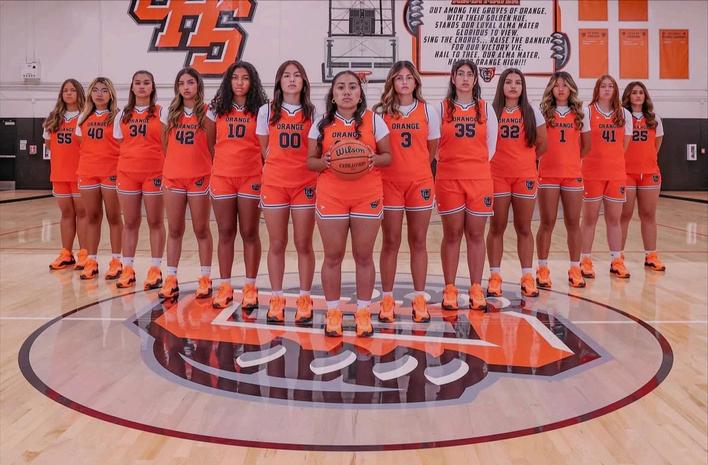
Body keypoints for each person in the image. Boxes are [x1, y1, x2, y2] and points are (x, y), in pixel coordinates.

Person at [307, 70, 391, 337]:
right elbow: (310, 161)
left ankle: (363, 312)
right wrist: (324, 162)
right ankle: (333, 312)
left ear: (360, 93)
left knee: (364, 256)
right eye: (341, 87)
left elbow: (388, 156)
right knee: (333, 256)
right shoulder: (321, 123)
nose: (346, 91)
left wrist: (373, 159)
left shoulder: (375, 121)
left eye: (352, 87)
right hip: (332, 195)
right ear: (332, 94)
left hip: (367, 195)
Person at [373, 60, 439, 322]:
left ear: (415, 82)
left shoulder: (427, 111)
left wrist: (415, 167)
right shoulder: (380, 112)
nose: (404, 82)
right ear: (392, 81)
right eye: (399, 77)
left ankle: (419, 298)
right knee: (390, 241)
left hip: (419, 183)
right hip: (388, 182)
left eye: (408, 77)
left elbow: (431, 150)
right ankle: (387, 299)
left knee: (418, 241)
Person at [256, 60, 317, 322]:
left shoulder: (314, 111)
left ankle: (304, 297)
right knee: (277, 243)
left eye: (297, 75)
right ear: (279, 81)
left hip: (305, 184)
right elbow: (264, 149)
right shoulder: (266, 110)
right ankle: (277, 297)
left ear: (304, 81)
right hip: (275, 183)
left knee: (303, 243)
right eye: (287, 75)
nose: (292, 79)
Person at [436, 59, 498, 311]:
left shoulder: (486, 109)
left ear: (475, 79)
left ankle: (475, 287)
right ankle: (450, 288)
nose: (464, 78)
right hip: (449, 178)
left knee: (476, 234)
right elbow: (434, 147)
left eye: (469, 74)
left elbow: (491, 147)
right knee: (452, 234)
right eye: (460, 74)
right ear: (453, 78)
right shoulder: (440, 109)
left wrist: (473, 165)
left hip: (479, 179)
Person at [208, 61, 267, 309]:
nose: (240, 83)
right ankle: (225, 285)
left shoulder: (261, 110)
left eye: (245, 78)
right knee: (225, 233)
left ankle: (250, 286)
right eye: (235, 78)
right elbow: (211, 144)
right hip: (222, 177)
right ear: (228, 81)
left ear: (252, 82)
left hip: (251, 177)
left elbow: (265, 147)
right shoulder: (216, 109)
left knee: (250, 233)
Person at [486, 68, 547, 297]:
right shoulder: (491, 111)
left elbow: (543, 144)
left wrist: (526, 161)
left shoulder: (532, 112)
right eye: (509, 82)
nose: (513, 86)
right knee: (497, 227)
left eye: (518, 83)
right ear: (501, 85)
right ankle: (495, 276)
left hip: (525, 176)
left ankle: (527, 275)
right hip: (497, 176)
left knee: (524, 227)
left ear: (523, 87)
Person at [158, 67, 215, 300]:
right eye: (181, 83)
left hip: (200, 177)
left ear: (198, 85)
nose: (186, 87)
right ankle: (171, 278)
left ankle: (205, 277)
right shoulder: (168, 113)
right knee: (174, 229)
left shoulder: (208, 112)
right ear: (177, 87)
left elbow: (212, 146)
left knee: (201, 229)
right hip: (173, 177)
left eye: (190, 82)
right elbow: (165, 146)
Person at [535, 72, 591, 288]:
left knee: (573, 223)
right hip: (548, 174)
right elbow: (537, 143)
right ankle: (542, 268)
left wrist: (571, 161)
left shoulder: (581, 114)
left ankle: (575, 268)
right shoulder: (542, 113)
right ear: (551, 88)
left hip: (572, 175)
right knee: (547, 222)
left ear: (571, 89)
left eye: (565, 85)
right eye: (557, 85)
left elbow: (586, 147)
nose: (560, 89)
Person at [114, 70, 166, 290]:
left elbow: (167, 143)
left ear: (152, 87)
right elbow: (120, 142)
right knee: (130, 222)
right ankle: (127, 268)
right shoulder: (121, 115)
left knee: (155, 221)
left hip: (154, 173)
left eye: (146, 83)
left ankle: (155, 268)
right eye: (138, 83)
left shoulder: (161, 112)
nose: (142, 86)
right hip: (127, 173)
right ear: (132, 87)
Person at [580, 75, 633, 279]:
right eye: (603, 86)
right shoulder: (587, 112)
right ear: (597, 89)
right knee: (589, 219)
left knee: (614, 220)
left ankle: (616, 260)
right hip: (591, 173)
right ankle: (585, 260)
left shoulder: (624, 114)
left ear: (615, 90)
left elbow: (624, 145)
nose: (607, 89)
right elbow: (582, 143)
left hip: (616, 174)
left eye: (611, 86)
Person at [75, 77, 123, 280]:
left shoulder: (119, 116)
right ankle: (91, 260)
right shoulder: (83, 117)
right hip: (88, 172)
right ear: (90, 94)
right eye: (95, 90)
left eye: (104, 90)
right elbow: (81, 143)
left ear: (110, 94)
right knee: (92, 217)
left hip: (111, 171)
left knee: (114, 217)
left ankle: (116, 261)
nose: (100, 94)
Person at [619, 81, 666, 272]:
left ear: (645, 96)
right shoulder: (621, 117)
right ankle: (618, 257)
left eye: (641, 92)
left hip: (649, 173)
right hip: (626, 173)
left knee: (648, 215)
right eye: (634, 92)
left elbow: (656, 145)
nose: (638, 95)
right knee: (624, 215)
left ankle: (651, 255)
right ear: (628, 96)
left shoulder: (654, 119)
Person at [43, 79, 88, 271]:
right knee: (66, 214)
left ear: (79, 93)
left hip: (80, 173)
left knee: (83, 214)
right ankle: (66, 254)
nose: (68, 93)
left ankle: (85, 254)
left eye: (72, 90)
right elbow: (48, 144)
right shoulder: (53, 118)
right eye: (65, 90)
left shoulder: (85, 116)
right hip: (59, 174)